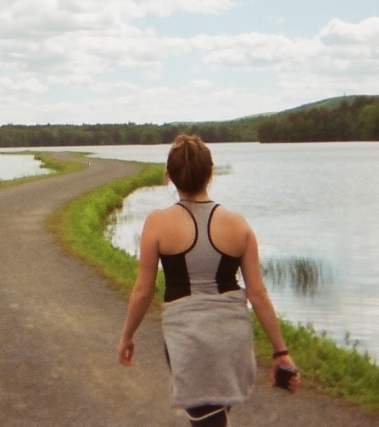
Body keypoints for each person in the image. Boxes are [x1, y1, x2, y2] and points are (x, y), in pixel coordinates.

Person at [117, 134, 300, 427]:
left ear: (171, 176)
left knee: (206, 419)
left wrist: (127, 335)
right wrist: (281, 352)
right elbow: (258, 294)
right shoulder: (238, 225)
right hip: (232, 339)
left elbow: (143, 291)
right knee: (215, 417)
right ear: (210, 174)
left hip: (186, 340)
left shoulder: (157, 222)